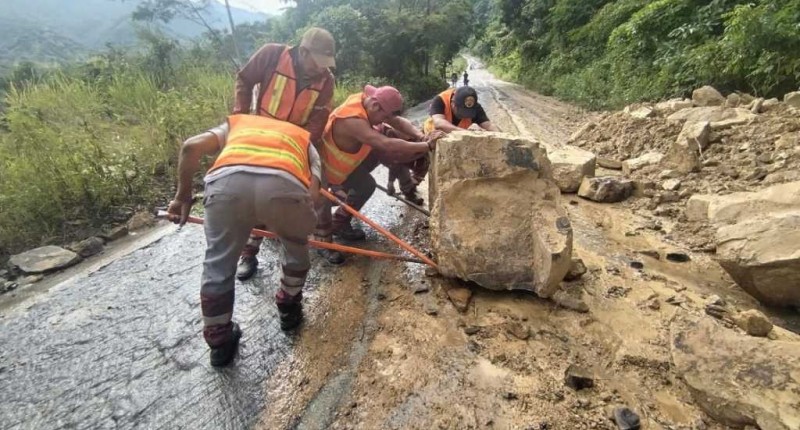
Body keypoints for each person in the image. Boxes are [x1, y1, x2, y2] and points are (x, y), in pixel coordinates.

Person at [167, 114, 323, 367]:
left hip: (226, 186)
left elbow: (190, 147)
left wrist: (181, 197)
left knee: (218, 263)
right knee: (296, 246)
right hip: (284, 188)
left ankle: (219, 341)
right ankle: (289, 307)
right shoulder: (305, 140)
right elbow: (313, 196)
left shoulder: (238, 124)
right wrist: (296, 223)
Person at [232, 27, 337, 279]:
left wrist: (300, 143)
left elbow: (319, 117)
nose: (322, 69)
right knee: (257, 195)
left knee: (314, 187)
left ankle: (320, 240)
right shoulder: (271, 55)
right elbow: (244, 80)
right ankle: (249, 252)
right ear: (304, 52)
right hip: (262, 136)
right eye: (318, 62)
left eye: (326, 63)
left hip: (295, 141)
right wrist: (240, 117)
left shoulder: (327, 80)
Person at [317, 85, 444, 244]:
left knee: (368, 182)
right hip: (332, 171)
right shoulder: (352, 121)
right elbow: (385, 144)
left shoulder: (368, 101)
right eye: (384, 117)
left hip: (350, 163)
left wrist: (421, 136)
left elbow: (396, 121)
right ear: (376, 106)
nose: (385, 121)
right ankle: (329, 229)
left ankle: (339, 216)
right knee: (352, 191)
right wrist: (426, 146)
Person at [423, 86, 499, 134]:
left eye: (468, 112)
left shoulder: (476, 106)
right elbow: (439, 123)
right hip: (435, 133)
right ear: (453, 104)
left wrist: (502, 136)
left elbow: (488, 125)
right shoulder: (441, 100)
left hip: (461, 134)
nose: (464, 116)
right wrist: (466, 133)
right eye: (462, 111)